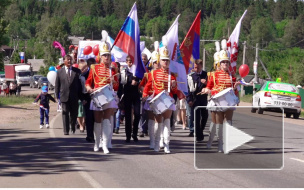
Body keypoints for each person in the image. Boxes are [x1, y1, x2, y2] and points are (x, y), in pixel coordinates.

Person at [143, 37, 185, 153]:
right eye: (163, 60)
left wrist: (173, 85)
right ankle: (156, 143)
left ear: (169, 62)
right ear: (160, 61)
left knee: (167, 122)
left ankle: (166, 144)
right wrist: (145, 94)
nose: (165, 62)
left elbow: (175, 91)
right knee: (158, 122)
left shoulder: (172, 75)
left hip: (168, 100)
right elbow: (148, 86)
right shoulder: (153, 73)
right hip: (157, 100)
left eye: (167, 60)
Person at [201, 50, 240, 152]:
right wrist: (206, 90)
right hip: (217, 102)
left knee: (228, 123)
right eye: (223, 62)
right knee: (217, 123)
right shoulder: (214, 75)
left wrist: (235, 89)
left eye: (227, 62)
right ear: (220, 63)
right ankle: (215, 142)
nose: (225, 64)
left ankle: (225, 143)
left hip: (228, 103)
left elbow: (234, 91)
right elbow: (209, 87)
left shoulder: (232, 76)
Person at [85, 33, 119, 153]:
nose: (106, 58)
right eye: (104, 55)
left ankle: (105, 144)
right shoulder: (94, 68)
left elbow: (116, 86)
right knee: (97, 120)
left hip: (109, 96)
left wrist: (115, 81)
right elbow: (88, 82)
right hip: (97, 96)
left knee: (107, 120)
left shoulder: (113, 69)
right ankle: (97, 142)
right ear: (100, 56)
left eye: (108, 55)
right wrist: (89, 89)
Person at [55, 54, 84, 135]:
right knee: (65, 113)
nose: (69, 61)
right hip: (64, 96)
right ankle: (66, 130)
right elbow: (57, 84)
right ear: (64, 61)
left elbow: (80, 85)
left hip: (74, 96)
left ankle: (73, 126)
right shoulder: (60, 71)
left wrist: (81, 97)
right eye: (67, 59)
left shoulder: (77, 71)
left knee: (74, 114)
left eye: (70, 59)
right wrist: (56, 96)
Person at [139, 43, 160, 148]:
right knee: (151, 120)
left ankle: (158, 140)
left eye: (159, 62)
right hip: (151, 99)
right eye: (156, 62)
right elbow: (141, 86)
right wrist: (146, 93)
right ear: (152, 63)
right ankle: (152, 140)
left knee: (159, 120)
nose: (158, 64)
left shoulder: (165, 74)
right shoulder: (148, 74)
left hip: (161, 99)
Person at [186, 59, 208, 142]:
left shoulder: (206, 75)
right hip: (195, 99)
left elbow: (211, 85)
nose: (196, 69)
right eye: (195, 67)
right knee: (196, 118)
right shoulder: (191, 76)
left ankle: (200, 130)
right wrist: (189, 100)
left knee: (205, 116)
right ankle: (199, 136)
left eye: (198, 68)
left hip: (203, 98)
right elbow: (188, 89)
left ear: (201, 66)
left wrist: (206, 83)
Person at [122, 55, 141, 143]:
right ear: (126, 62)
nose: (130, 63)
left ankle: (135, 133)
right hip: (127, 95)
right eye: (128, 61)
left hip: (136, 95)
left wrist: (137, 82)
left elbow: (142, 80)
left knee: (137, 114)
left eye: (131, 61)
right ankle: (128, 135)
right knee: (128, 116)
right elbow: (122, 83)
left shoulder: (137, 71)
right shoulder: (124, 72)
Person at [83, 58, 96, 142]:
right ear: (88, 65)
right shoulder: (84, 75)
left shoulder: (97, 74)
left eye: (93, 64)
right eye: (91, 65)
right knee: (89, 117)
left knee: (96, 118)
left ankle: (96, 135)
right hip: (87, 99)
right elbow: (81, 88)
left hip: (97, 98)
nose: (92, 66)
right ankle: (89, 135)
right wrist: (83, 98)